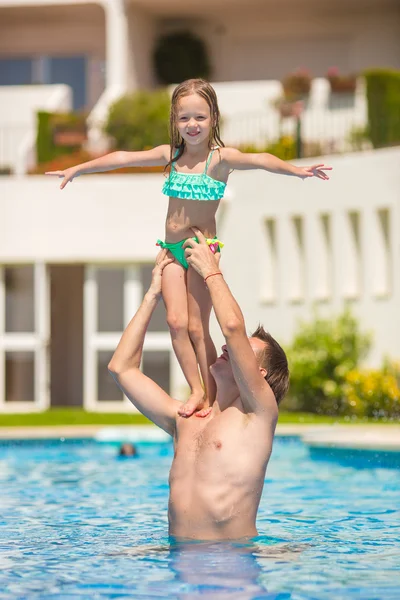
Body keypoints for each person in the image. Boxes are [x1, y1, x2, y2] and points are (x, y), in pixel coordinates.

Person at [46, 78, 330, 418]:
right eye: (184, 118)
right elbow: (122, 157)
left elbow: (261, 159)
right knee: (176, 322)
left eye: (200, 117)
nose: (192, 125)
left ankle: (212, 397)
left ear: (213, 118)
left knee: (198, 326)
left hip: (201, 249)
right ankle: (196, 390)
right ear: (174, 120)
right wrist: (79, 168)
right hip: (170, 250)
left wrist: (296, 171)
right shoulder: (171, 155)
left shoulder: (220, 160)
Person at [107, 230, 290, 541]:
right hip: (178, 569)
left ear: (258, 372)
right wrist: (153, 294)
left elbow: (231, 327)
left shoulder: (258, 416)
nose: (228, 347)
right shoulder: (187, 420)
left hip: (231, 572)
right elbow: (121, 368)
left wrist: (211, 271)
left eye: (245, 349)